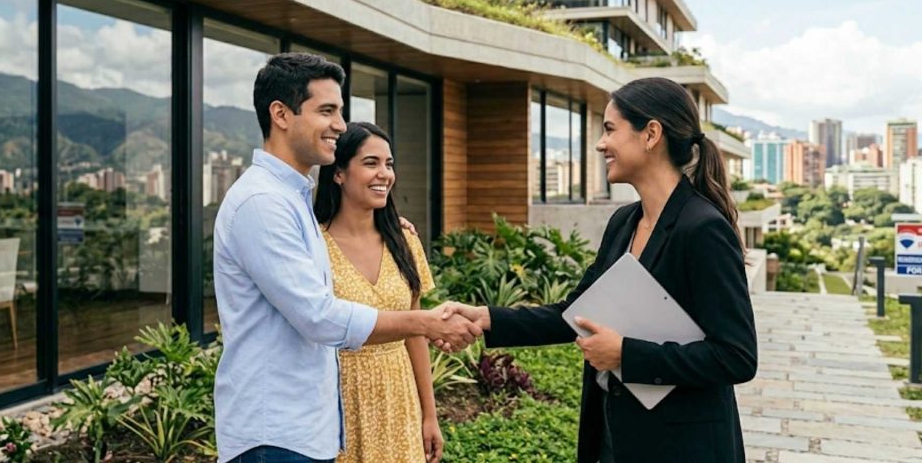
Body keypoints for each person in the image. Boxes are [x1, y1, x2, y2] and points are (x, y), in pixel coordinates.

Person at [440, 77, 757, 462]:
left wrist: (626, 354)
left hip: (682, 447)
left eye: (610, 129)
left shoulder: (702, 229)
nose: (600, 143)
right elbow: (575, 315)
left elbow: (736, 356)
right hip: (614, 437)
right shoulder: (624, 223)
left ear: (651, 134)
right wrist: (485, 318)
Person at [213, 53, 480, 463]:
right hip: (275, 437)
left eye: (340, 111)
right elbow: (318, 316)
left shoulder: (292, 198)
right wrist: (425, 322)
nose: (340, 124)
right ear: (281, 114)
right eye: (327, 111)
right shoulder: (263, 203)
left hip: (305, 430)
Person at [314, 122, 443, 463]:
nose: (384, 173)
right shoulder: (313, 246)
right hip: (338, 400)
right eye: (371, 163)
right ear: (339, 173)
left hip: (399, 399)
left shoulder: (405, 241)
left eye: (389, 164)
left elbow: (416, 331)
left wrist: (429, 415)